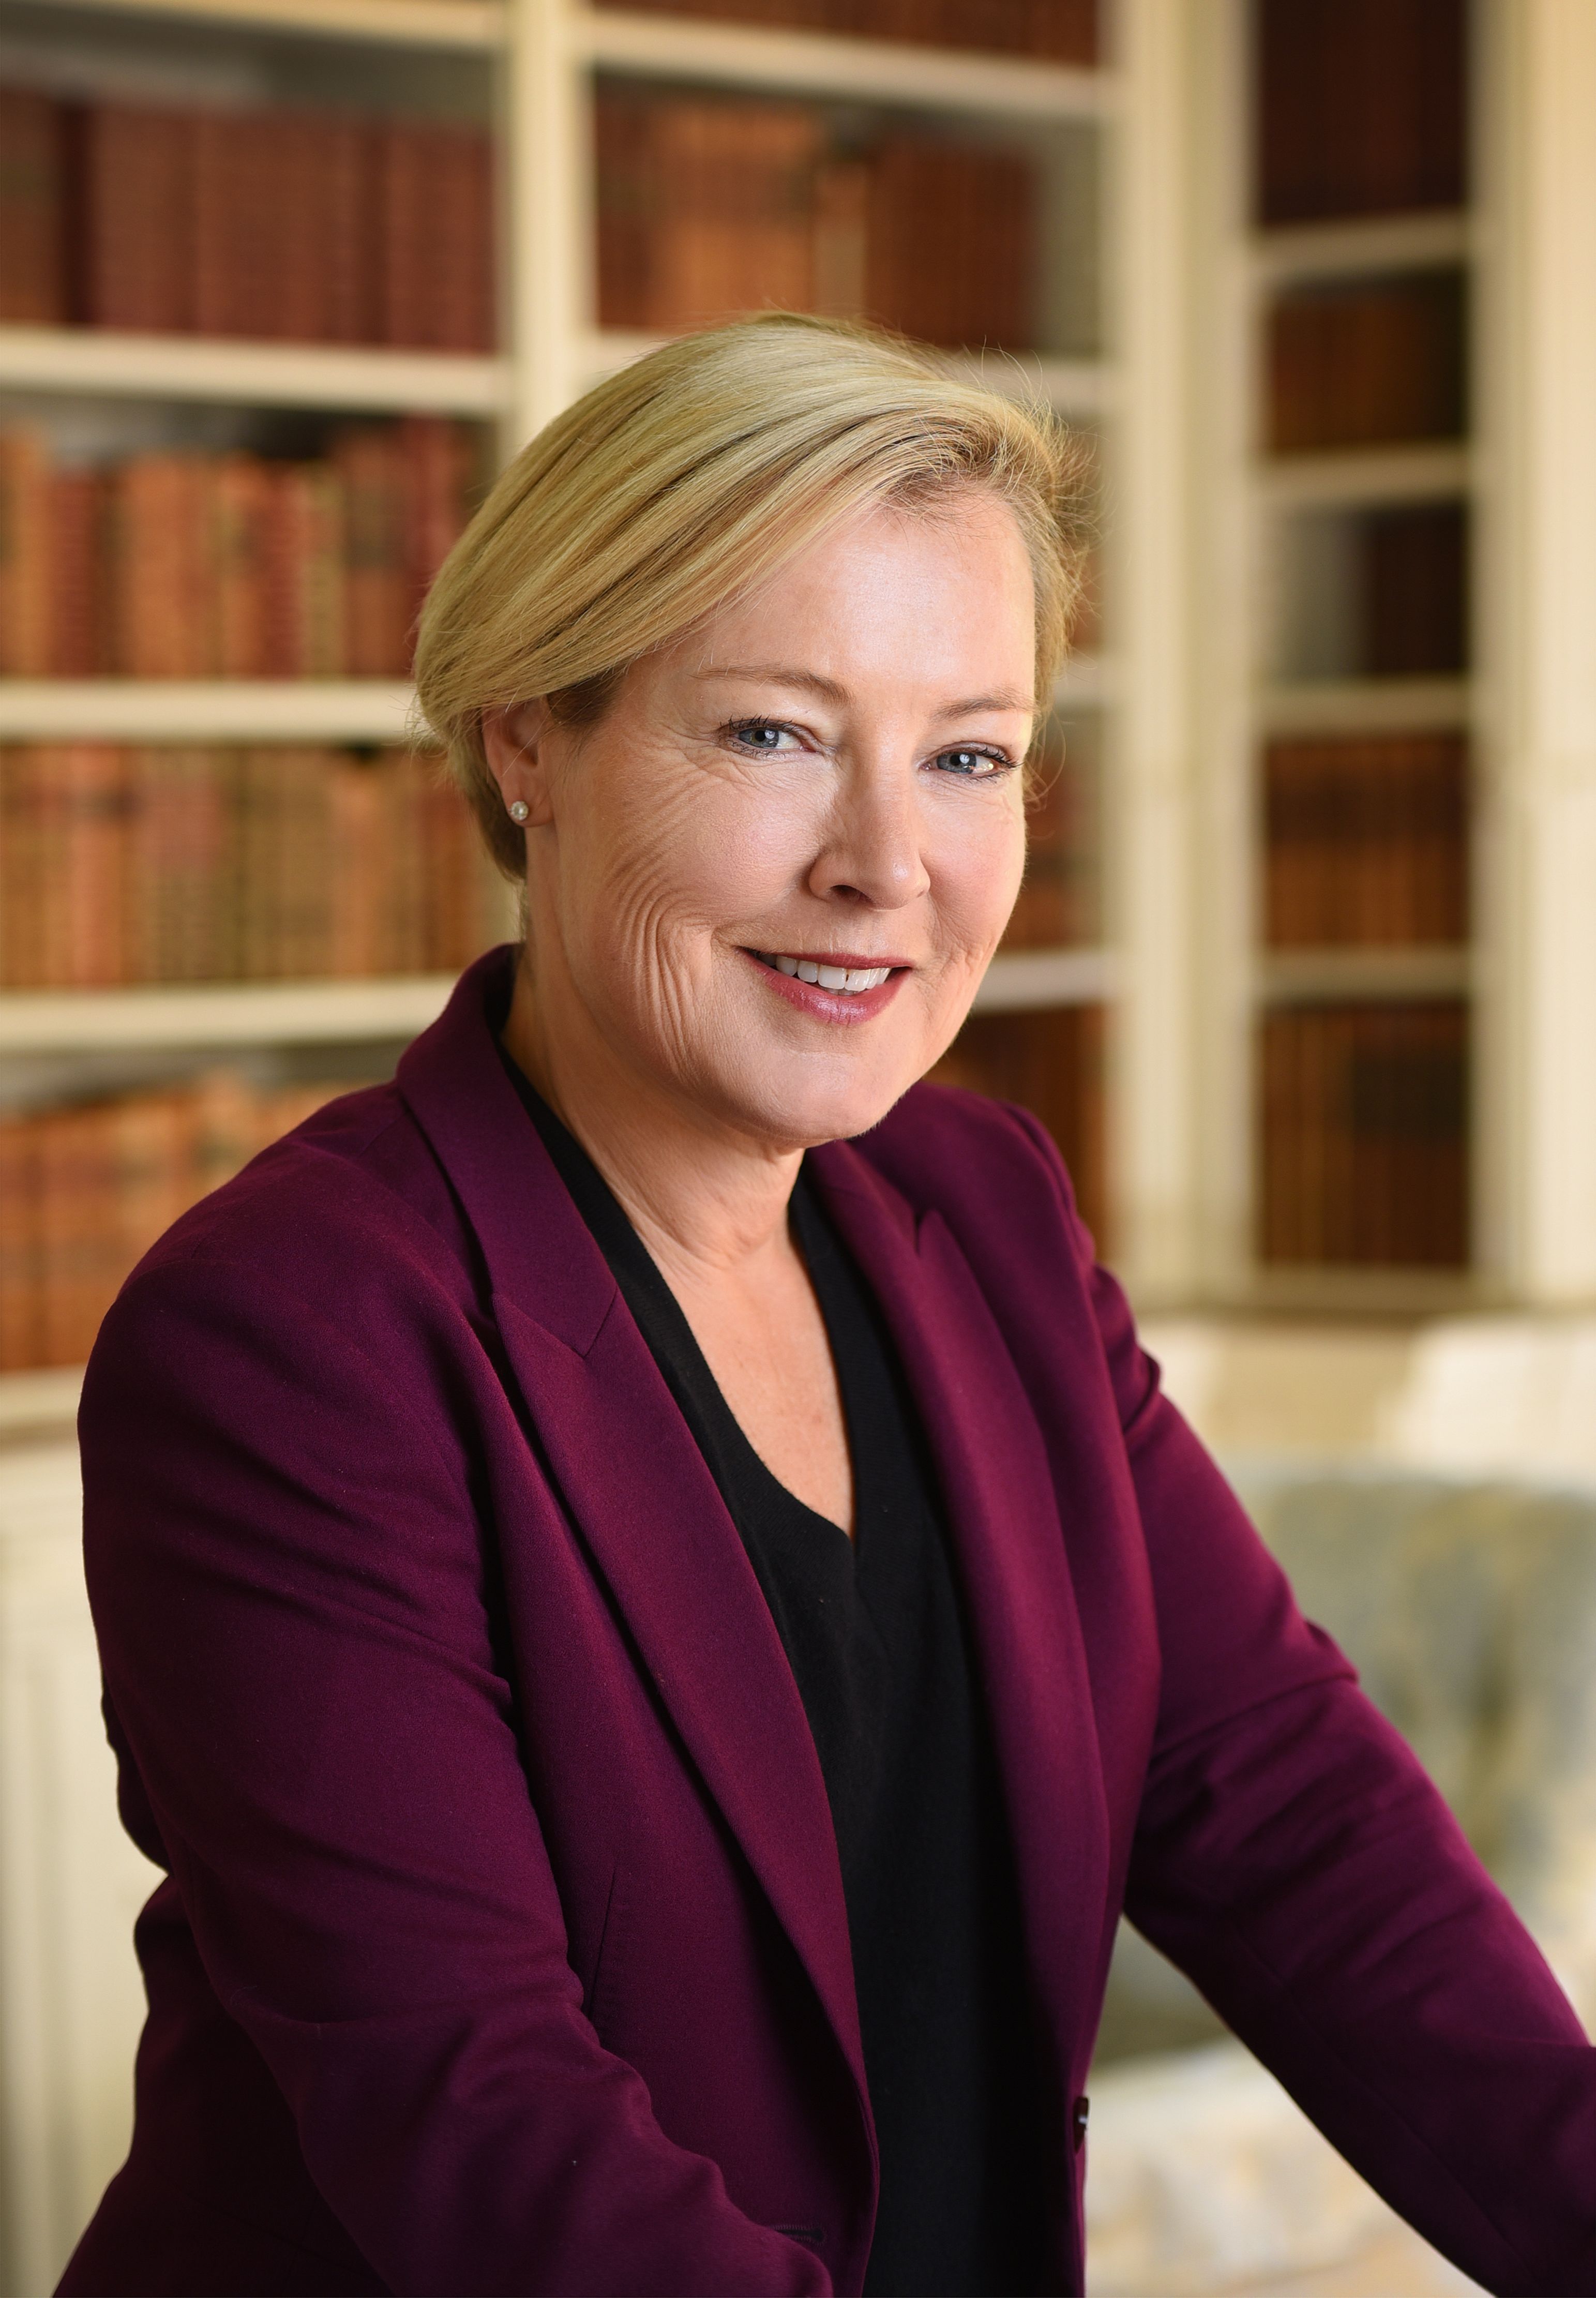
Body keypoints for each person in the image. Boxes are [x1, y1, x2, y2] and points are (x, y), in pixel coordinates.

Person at [62, 316, 1595, 2298]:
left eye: (968, 755)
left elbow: (1288, 1817)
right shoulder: (293, 1337)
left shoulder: (989, 1216)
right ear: (528, 731)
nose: (890, 864)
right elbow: (479, 2124)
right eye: (774, 731)